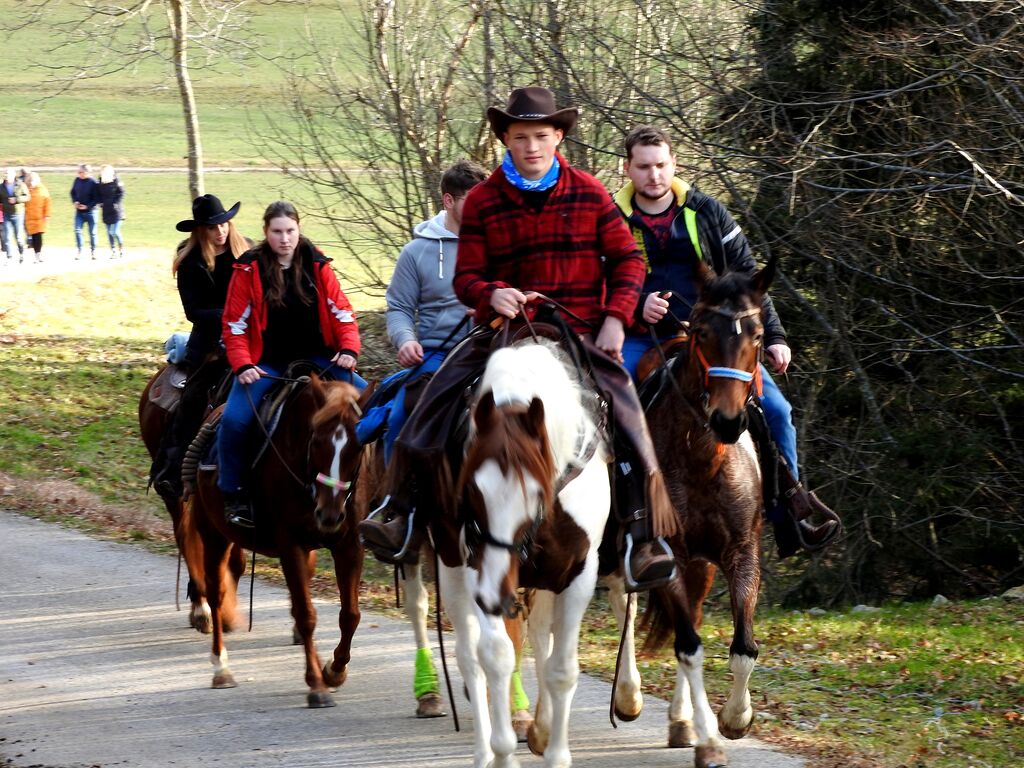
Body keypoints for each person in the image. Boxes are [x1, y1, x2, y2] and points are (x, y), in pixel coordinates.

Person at [359, 87, 677, 591]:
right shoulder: (484, 199)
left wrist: (617, 318)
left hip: (577, 328)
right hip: (502, 333)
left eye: (541, 136)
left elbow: (628, 261)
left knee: (631, 418)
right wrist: (491, 293)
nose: (532, 146)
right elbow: (467, 277)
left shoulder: (590, 193)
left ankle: (644, 537)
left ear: (558, 136)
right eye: (521, 136)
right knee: (428, 402)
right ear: (505, 138)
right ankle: (400, 511)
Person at [614, 124, 840, 557]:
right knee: (613, 412)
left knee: (776, 409)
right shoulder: (611, 217)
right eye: (643, 167)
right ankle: (621, 524)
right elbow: (596, 281)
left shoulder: (708, 212)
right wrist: (635, 306)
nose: (654, 175)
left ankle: (788, 512)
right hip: (642, 336)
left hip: (720, 340)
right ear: (628, 169)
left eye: (661, 165)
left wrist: (773, 335)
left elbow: (751, 278)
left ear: (673, 163)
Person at [218, 200, 366, 527]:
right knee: (235, 421)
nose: (284, 239)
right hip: (266, 362)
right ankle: (234, 494)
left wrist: (349, 350)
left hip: (319, 359)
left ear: (299, 231)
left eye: (290, 231)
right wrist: (242, 365)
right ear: (266, 233)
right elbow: (234, 325)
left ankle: (376, 491)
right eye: (277, 232)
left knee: (373, 407)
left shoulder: (317, 265)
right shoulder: (249, 268)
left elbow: (344, 315)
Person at [361, 159, 488, 463]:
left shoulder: (496, 243)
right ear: (448, 200)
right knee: (401, 420)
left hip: (489, 348)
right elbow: (400, 308)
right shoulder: (416, 252)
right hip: (438, 354)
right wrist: (405, 340)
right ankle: (394, 500)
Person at [150, 194, 252, 498]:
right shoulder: (191, 261)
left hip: (250, 338)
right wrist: (230, 316)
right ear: (200, 231)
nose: (220, 231)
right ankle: (172, 467)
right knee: (193, 400)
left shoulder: (247, 251)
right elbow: (194, 311)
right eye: (212, 227)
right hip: (210, 344)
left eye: (223, 223)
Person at [70, 164, 99, 260]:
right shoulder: (77, 180)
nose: (79, 174)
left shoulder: (94, 182)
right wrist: (75, 201)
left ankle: (93, 251)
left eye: (80, 172)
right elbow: (72, 192)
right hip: (79, 212)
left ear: (87, 172)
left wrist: (87, 206)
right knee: (77, 230)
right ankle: (80, 250)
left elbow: (97, 199)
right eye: (78, 172)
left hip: (91, 212)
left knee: (92, 233)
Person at [1, 167, 30, 263]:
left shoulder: (20, 184)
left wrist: (16, 199)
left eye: (8, 174)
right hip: (6, 213)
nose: (6, 176)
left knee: (18, 236)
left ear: (13, 175)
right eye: (5, 174)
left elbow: (27, 196)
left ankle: (21, 254)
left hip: (18, 213)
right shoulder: (1, 187)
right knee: (7, 237)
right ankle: (9, 257)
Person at [96, 165, 125, 259]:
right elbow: (98, 194)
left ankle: (121, 248)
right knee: (109, 232)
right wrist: (100, 202)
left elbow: (121, 193)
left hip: (116, 210)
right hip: (106, 210)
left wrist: (116, 203)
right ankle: (113, 251)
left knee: (114, 232)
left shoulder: (116, 180)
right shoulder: (101, 181)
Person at [23, 172, 51, 263]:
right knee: (32, 237)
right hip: (29, 218)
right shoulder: (26, 190)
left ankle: (38, 255)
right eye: (30, 180)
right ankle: (36, 254)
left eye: (33, 180)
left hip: (39, 218)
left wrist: (47, 215)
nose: (31, 182)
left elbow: (47, 203)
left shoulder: (43, 190)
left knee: (38, 236)